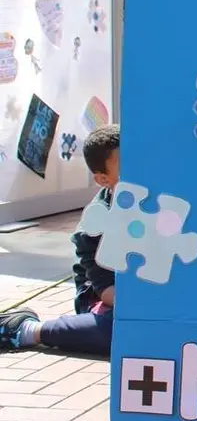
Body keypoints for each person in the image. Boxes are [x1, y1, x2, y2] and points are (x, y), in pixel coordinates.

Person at [0, 125, 120, 355]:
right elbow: (106, 289)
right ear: (103, 179)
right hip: (104, 297)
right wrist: (150, 307)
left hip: (151, 291)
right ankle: (26, 330)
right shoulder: (93, 227)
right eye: (126, 165)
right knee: (121, 330)